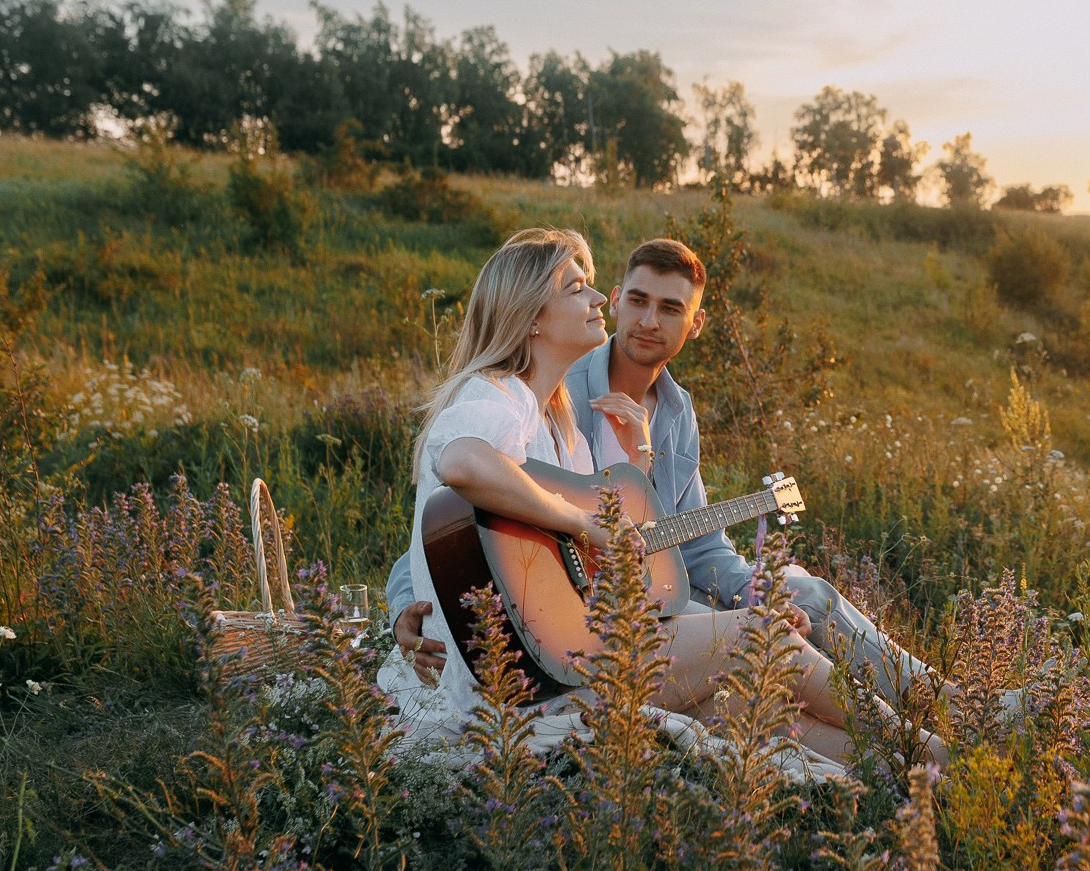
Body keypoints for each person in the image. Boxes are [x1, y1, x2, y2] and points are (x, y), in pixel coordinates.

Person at [391, 237, 998, 725]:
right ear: (535, 319)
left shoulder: (644, 420)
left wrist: (641, 471)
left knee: (784, 648)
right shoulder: (530, 393)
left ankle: (938, 764)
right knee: (764, 646)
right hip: (550, 650)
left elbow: (670, 551)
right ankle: (937, 738)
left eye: (670, 308)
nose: (639, 316)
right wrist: (405, 613)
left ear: (695, 324)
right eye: (630, 298)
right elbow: (454, 513)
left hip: (607, 619)